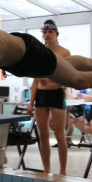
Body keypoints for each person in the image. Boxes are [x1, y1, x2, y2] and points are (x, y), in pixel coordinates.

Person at [27, 20, 71, 174]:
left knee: (60, 134)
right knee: (43, 134)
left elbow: (68, 78)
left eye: (50, 32)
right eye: (45, 32)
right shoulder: (38, 52)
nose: (47, 35)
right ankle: (47, 169)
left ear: (56, 33)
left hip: (57, 93)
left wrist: (51, 80)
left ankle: (63, 171)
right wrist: (31, 104)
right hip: (41, 95)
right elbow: (35, 82)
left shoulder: (65, 53)